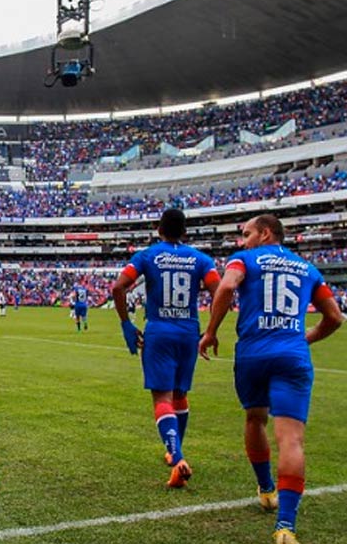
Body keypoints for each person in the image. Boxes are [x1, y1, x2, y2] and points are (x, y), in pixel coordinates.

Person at [199, 214, 344, 544]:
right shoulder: (307, 268)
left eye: (247, 233)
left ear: (265, 234)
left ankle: (266, 490)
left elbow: (226, 286)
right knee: (291, 439)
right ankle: (285, 527)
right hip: (292, 356)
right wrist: (303, 338)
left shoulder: (245, 259)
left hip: (252, 353)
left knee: (254, 418)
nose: (243, 240)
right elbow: (334, 317)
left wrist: (210, 332)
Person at [110, 208, 220, 488]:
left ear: (159, 229)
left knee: (162, 398)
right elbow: (221, 291)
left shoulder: (148, 256)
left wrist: (126, 323)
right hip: (188, 332)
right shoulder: (200, 259)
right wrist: (212, 329)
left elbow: (118, 287)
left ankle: (177, 456)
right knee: (180, 395)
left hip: (159, 331)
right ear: (185, 232)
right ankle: (174, 449)